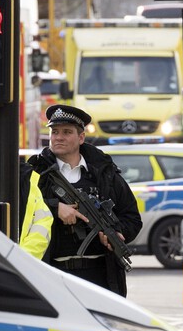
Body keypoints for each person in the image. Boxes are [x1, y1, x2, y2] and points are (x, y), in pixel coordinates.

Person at [33, 103, 141, 296]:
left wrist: (116, 233)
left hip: (100, 275)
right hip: (51, 273)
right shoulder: (36, 172)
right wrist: (55, 208)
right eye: (55, 132)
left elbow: (132, 218)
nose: (58, 137)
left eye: (66, 132)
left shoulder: (105, 173)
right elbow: (17, 208)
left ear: (81, 137)